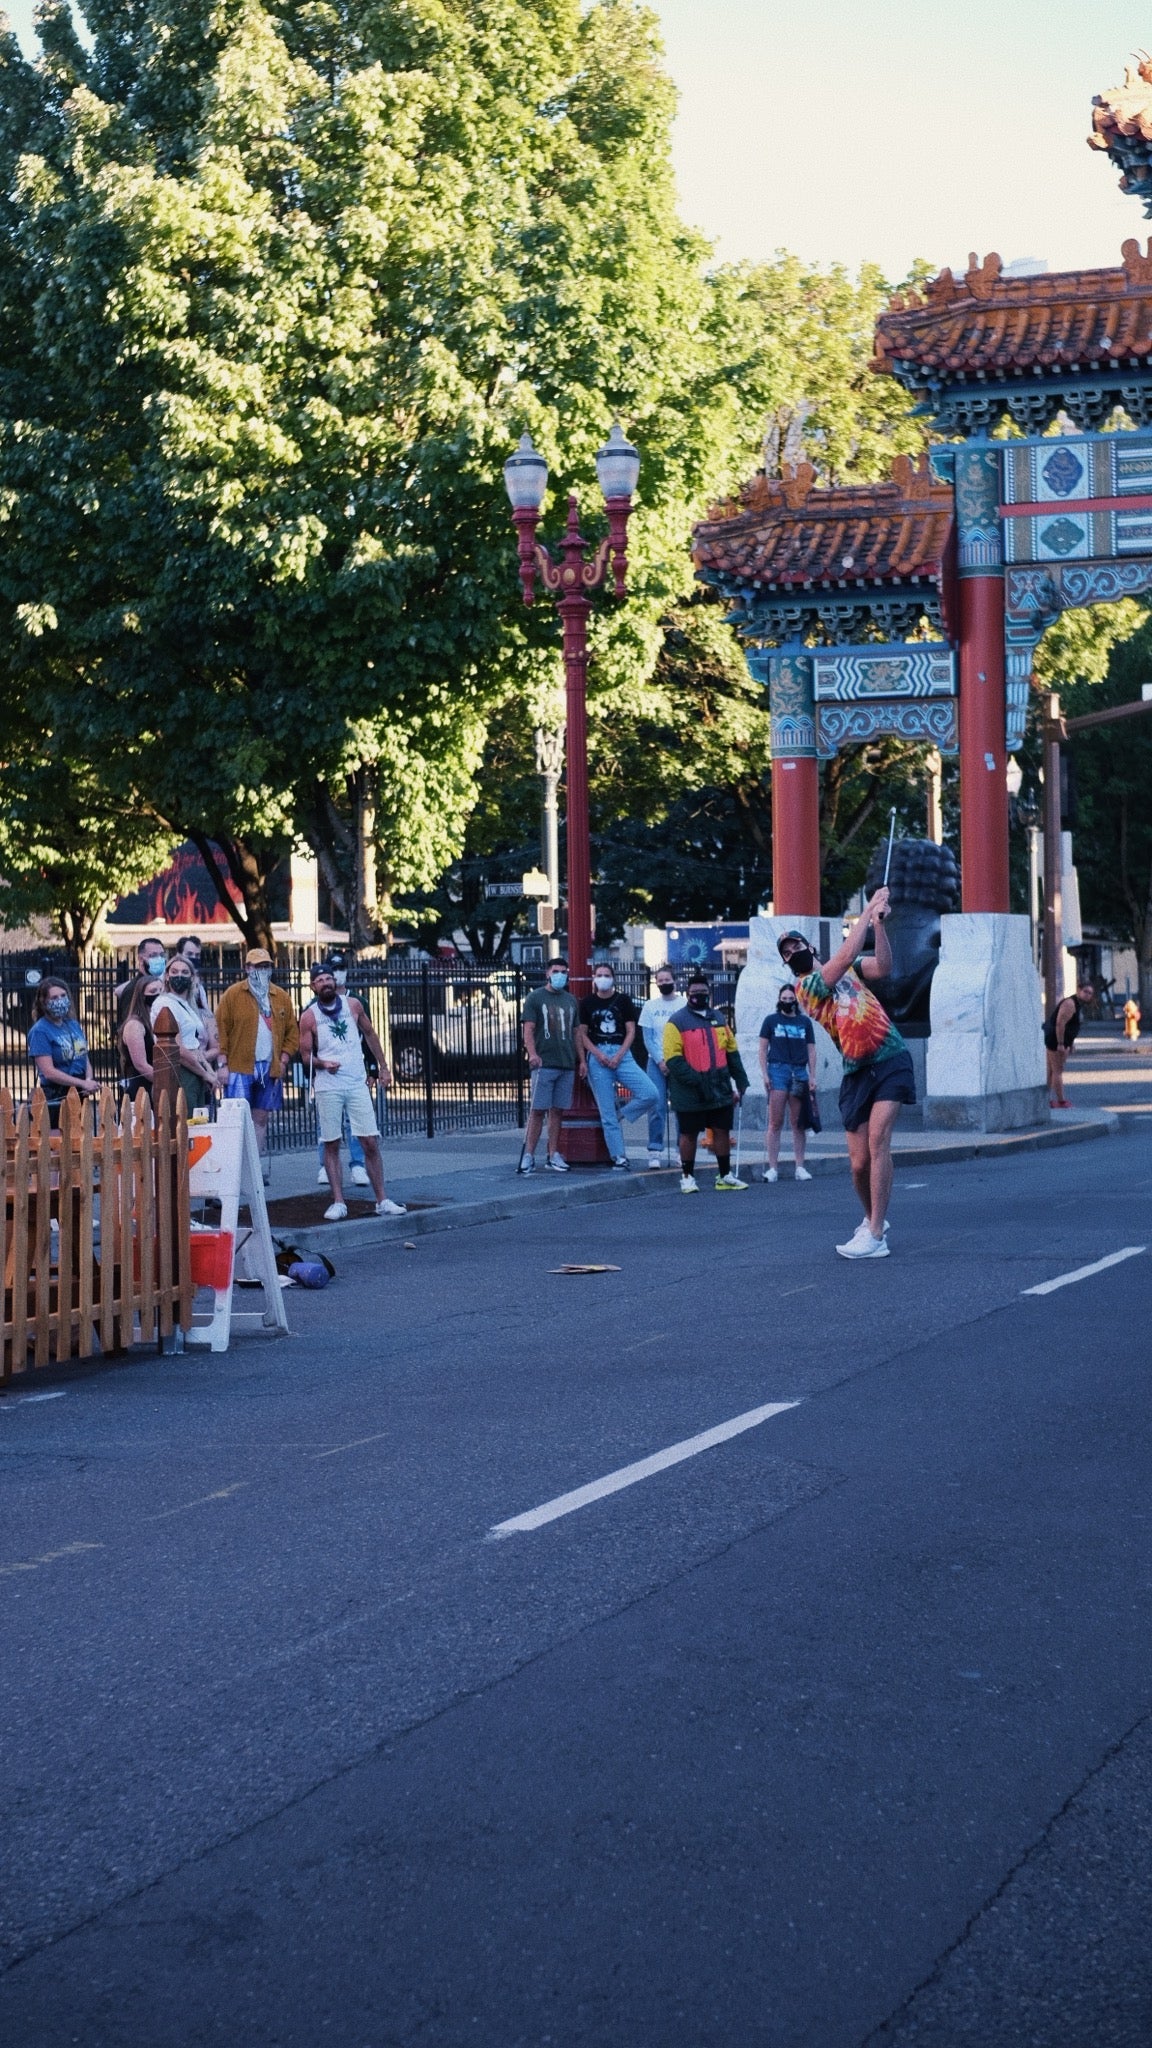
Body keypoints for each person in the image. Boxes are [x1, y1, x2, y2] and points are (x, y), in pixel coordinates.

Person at [778, 889, 915, 1260]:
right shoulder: (805, 987)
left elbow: (883, 967)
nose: (793, 954)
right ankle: (873, 1220)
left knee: (878, 1140)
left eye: (796, 946)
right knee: (857, 1164)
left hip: (889, 1056)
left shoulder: (850, 969)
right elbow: (843, 958)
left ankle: (875, 1234)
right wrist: (868, 909)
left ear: (809, 946)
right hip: (855, 1071)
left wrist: (878, 926)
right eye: (787, 954)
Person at [298, 961, 406, 1221]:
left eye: (328, 978)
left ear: (334, 982)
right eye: (320, 980)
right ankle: (338, 1201)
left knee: (369, 1139)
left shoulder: (353, 1005)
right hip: (328, 1085)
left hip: (356, 1082)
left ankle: (382, 1199)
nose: (325, 983)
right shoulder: (309, 1016)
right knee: (332, 1142)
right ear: (313, 986)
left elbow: (370, 1035)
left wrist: (383, 1067)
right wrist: (323, 1063)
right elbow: (304, 1057)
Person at [215, 948, 299, 1183]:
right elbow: (222, 1031)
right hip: (240, 1066)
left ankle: (254, 1167)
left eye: (265, 966)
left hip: (269, 1067)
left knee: (261, 1118)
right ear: (247, 968)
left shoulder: (281, 996)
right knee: (237, 1119)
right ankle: (234, 1168)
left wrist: (283, 1058)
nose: (261, 970)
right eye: (256, 966)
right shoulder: (233, 994)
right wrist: (222, 1063)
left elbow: (293, 1032)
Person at [663, 971, 749, 1192]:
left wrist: (740, 1078)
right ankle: (687, 1176)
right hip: (689, 1091)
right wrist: (695, 1080)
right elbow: (673, 1058)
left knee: (721, 1130)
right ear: (687, 994)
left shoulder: (719, 1019)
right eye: (694, 992)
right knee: (689, 1134)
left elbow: (731, 1051)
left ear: (709, 994)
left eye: (703, 992)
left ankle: (724, 1175)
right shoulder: (676, 1022)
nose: (699, 996)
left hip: (719, 1087)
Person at [576, 963, 659, 1170]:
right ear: (594, 979)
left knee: (650, 1093)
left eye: (606, 975)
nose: (603, 978)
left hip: (622, 1053)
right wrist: (594, 1056)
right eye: (599, 975)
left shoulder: (623, 1000)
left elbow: (631, 1030)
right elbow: (582, 1034)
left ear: (613, 978)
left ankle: (623, 1113)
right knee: (607, 1114)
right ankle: (619, 1156)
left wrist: (619, 1054)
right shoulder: (587, 1003)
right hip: (598, 1055)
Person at [312, 949, 369, 1187]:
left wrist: (376, 1067)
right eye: (331, 970)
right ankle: (325, 1165)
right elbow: (307, 1044)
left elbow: (368, 1034)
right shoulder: (312, 1007)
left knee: (356, 1122)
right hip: (328, 1075)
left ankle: (358, 1165)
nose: (336, 974)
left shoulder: (357, 1002)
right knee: (328, 1123)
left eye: (339, 969)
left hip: (353, 1070)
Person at [519, 957, 579, 1173]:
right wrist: (532, 1054)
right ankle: (528, 1155)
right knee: (537, 1110)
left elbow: (576, 1032)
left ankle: (553, 1153)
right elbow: (528, 1029)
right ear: (547, 973)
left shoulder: (570, 1000)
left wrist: (579, 1059)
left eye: (564, 971)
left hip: (566, 1062)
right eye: (556, 971)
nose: (560, 975)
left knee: (557, 1112)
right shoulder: (535, 998)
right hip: (545, 1063)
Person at [759, 982, 817, 1183]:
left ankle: (799, 1166)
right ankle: (773, 1167)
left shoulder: (804, 1022)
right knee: (775, 1121)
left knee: (798, 1122)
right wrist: (765, 1075)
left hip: (799, 1071)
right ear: (779, 1000)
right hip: (778, 1069)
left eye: (790, 1000)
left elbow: (811, 1050)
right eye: (784, 1000)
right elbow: (762, 1049)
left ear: (796, 1000)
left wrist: (813, 1075)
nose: (787, 1003)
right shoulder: (770, 1021)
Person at [151, 956, 225, 1112]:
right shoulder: (165, 1003)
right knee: (186, 1125)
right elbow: (178, 1049)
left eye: (184, 972)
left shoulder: (187, 1005)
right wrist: (205, 1074)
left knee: (198, 1125)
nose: (179, 976)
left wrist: (209, 1071)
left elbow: (193, 1044)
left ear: (192, 978)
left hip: (194, 1068)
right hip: (180, 1070)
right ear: (167, 976)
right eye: (174, 971)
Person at [28, 979, 100, 1124]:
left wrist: (88, 1080)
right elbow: (49, 1071)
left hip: (79, 1090)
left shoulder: (73, 1025)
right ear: (44, 1002)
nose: (60, 1000)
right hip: (56, 1092)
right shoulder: (40, 1031)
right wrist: (81, 1082)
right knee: (58, 1138)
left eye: (62, 995)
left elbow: (83, 1058)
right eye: (54, 998)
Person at [637, 967, 681, 1168]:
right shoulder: (650, 1006)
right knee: (657, 1106)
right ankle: (655, 1149)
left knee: (682, 1106)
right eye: (660, 980)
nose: (664, 983)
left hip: (679, 1060)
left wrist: (674, 1060)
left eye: (667, 979)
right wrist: (660, 1061)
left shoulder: (684, 1004)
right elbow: (647, 1038)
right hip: (656, 1062)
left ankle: (682, 1149)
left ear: (674, 981)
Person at [1044, 979, 1095, 1108]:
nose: (1088, 995)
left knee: (1050, 1071)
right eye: (1085, 992)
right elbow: (1060, 1023)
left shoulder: (1076, 1004)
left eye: (1090, 993)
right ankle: (1061, 1101)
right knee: (1057, 1070)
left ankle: (1046, 1099)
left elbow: (1070, 1025)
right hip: (1056, 1040)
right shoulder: (1070, 1004)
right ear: (1078, 990)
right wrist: (1061, 1044)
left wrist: (1070, 1043)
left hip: (1060, 1040)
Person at [119, 965, 165, 1101]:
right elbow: (141, 1064)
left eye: (162, 990)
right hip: (142, 1089)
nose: (158, 994)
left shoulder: (158, 1020)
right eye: (153, 991)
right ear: (142, 996)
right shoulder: (135, 1024)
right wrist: (165, 1082)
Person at [114, 937, 167, 1029]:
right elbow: (128, 1024)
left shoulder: (161, 984)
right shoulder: (132, 989)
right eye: (153, 955)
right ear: (140, 959)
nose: (159, 959)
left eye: (162, 955)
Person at [173, 935, 213, 1017]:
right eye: (189, 954)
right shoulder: (174, 981)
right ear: (179, 955)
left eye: (197, 955)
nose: (194, 958)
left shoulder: (198, 984)